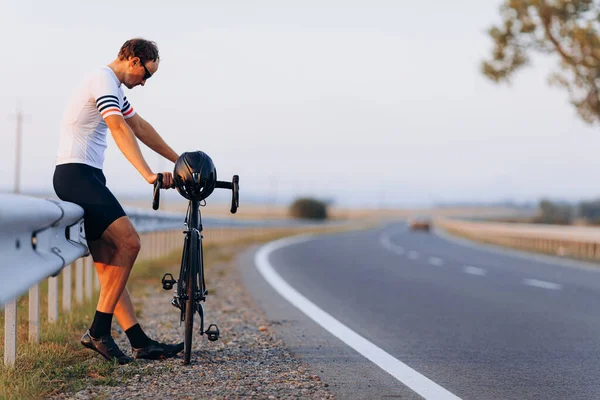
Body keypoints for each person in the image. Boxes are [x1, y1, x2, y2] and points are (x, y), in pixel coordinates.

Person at [53, 38, 183, 364]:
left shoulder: (114, 87)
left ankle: (139, 342)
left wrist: (180, 162)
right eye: (146, 75)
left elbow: (138, 126)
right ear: (135, 60)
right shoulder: (102, 79)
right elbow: (118, 128)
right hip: (76, 176)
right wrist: (148, 173)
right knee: (130, 242)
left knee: (111, 262)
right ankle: (98, 331)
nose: (144, 83)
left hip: (88, 177)